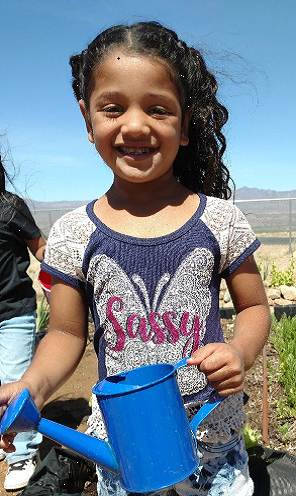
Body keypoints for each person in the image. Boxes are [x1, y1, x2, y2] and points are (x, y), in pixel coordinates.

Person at [0, 22, 271, 495]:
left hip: (213, 441)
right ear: (88, 121)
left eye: (158, 109)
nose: (135, 125)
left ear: (184, 125)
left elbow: (253, 308)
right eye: (112, 108)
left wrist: (239, 353)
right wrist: (33, 388)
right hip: (125, 452)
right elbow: (66, 333)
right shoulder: (73, 234)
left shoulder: (220, 221)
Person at [0, 153, 45, 490]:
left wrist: (68, 273)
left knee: (15, 380)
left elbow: (40, 248)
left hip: (13, 310)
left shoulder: (8, 207)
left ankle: (23, 454)